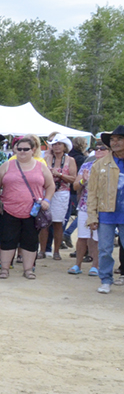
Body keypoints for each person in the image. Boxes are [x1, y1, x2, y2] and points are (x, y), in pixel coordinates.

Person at [0, 134, 54, 280]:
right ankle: (5, 269)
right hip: (9, 209)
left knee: (30, 241)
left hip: (32, 212)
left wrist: (47, 199)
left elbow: (50, 185)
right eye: (19, 149)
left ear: (33, 150)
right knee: (7, 240)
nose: (22, 152)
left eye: (26, 149)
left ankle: (28, 270)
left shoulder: (41, 166)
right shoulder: (8, 165)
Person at [86, 125, 124, 293]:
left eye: (119, 139)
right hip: (106, 213)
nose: (115, 142)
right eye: (113, 140)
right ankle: (106, 280)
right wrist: (92, 216)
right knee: (105, 249)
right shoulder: (99, 164)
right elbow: (92, 192)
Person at [69, 143, 107, 277]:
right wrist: (83, 181)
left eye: (103, 148)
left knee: (97, 238)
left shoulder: (111, 167)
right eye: (96, 148)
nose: (98, 150)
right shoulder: (86, 166)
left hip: (104, 207)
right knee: (82, 237)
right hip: (85, 205)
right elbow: (75, 186)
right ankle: (77, 264)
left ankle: (95, 265)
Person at [41, 135, 77, 260]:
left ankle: (56, 251)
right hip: (46, 192)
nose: (56, 146)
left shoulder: (69, 160)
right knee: (44, 222)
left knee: (57, 223)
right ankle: (43, 250)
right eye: (54, 144)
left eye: (59, 144)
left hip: (61, 192)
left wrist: (59, 174)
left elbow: (73, 178)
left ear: (65, 146)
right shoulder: (46, 158)